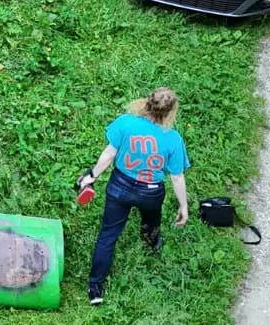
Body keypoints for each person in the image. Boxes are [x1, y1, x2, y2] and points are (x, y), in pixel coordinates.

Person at [77, 87, 190, 306]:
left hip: (120, 186)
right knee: (151, 219)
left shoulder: (126, 122)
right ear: (170, 112)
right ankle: (152, 244)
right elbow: (177, 177)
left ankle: (95, 288)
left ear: (147, 102)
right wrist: (183, 206)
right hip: (151, 191)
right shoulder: (173, 139)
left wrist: (92, 176)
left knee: (108, 235)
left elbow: (109, 154)